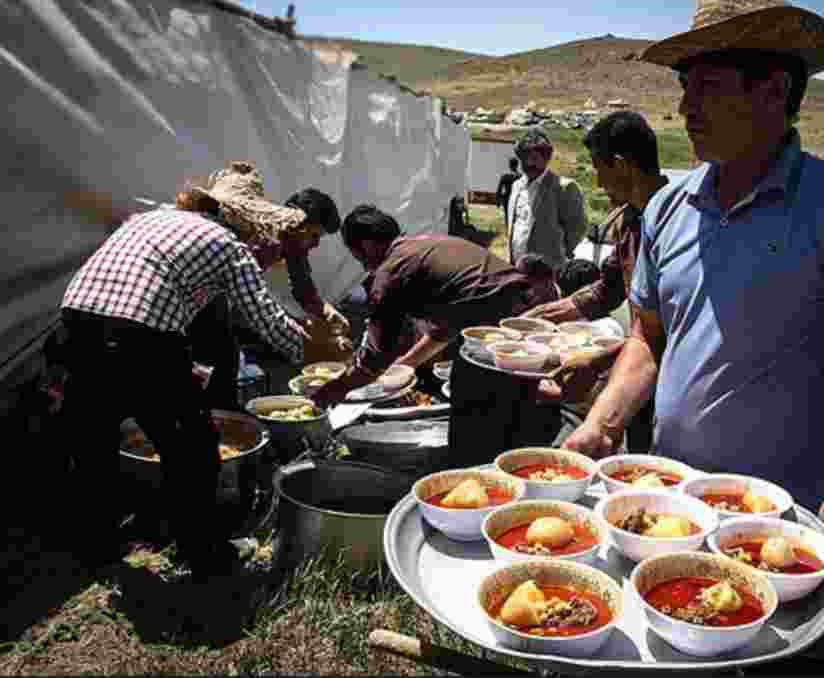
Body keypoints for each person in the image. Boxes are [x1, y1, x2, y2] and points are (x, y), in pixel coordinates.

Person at [562, 0, 824, 557]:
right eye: (684, 86)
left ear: (774, 91)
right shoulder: (669, 208)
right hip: (664, 498)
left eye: (706, 87)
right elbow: (648, 337)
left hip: (775, 519)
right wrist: (603, 425)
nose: (684, 108)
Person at [59, 196, 325, 576]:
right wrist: (309, 350)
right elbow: (264, 318)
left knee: (94, 437)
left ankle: (94, 546)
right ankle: (203, 551)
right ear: (248, 230)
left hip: (76, 319)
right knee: (193, 447)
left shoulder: (153, 218)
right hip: (141, 332)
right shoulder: (231, 246)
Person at [311, 205, 562, 468]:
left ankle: (477, 477)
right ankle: (523, 467)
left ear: (364, 245)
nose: (362, 264)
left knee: (474, 427)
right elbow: (449, 324)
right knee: (519, 418)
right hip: (525, 327)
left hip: (492, 341)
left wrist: (330, 392)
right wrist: (407, 363)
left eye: (357, 255)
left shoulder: (392, 270)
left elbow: (375, 357)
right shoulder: (428, 242)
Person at [527, 111, 671, 453]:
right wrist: (543, 316)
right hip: (638, 370)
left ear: (620, 165)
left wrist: (599, 361)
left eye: (598, 168)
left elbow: (670, 330)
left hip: (670, 381)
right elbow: (607, 289)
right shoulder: (626, 220)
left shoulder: (676, 221)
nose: (597, 182)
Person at [176, 162, 351, 409]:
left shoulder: (293, 245)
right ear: (297, 226)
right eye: (314, 236)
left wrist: (324, 311)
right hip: (201, 304)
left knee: (222, 354)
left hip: (212, 301)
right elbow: (249, 304)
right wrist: (309, 345)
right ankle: (217, 414)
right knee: (220, 354)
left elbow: (303, 288)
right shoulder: (259, 241)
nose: (315, 245)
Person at [505, 129, 587, 270]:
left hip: (548, 271)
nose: (529, 163)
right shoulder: (516, 186)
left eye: (535, 158)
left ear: (546, 158)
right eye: (525, 158)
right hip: (516, 268)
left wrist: (559, 254)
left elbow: (577, 227)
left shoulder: (563, 188)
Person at [495, 157, 520, 224]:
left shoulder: (505, 176)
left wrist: (498, 200)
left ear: (509, 166)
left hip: (507, 199)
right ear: (517, 165)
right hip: (517, 199)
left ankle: (509, 230)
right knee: (516, 216)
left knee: (508, 216)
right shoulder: (520, 177)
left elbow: (499, 189)